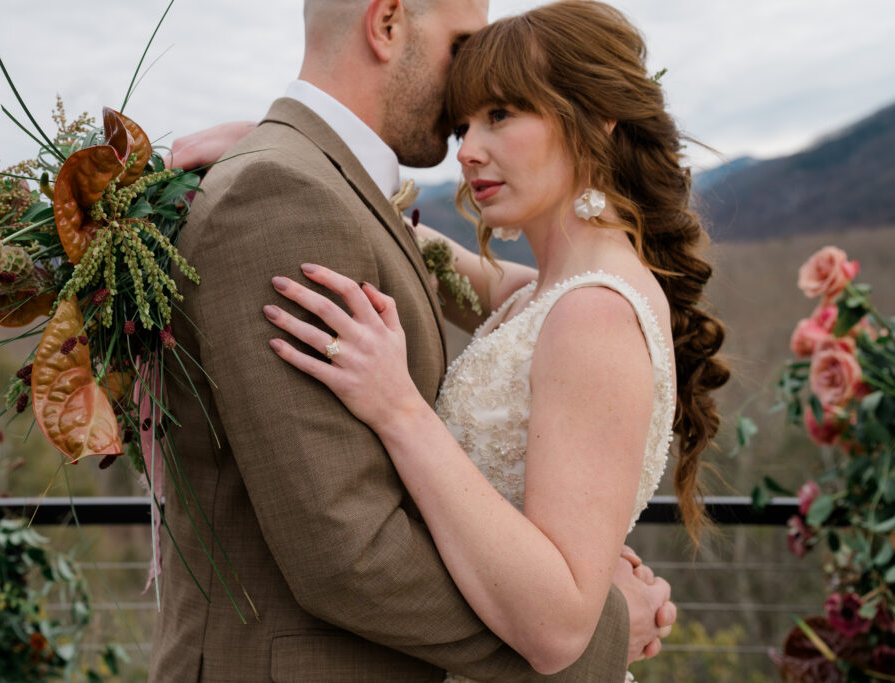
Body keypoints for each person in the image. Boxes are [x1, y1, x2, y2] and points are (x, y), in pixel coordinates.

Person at [150, 1, 675, 681]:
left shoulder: (593, 312)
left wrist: (399, 408)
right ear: (387, 20)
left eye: (501, 114)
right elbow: (403, 242)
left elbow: (554, 612)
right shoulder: (541, 295)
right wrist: (282, 145)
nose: (469, 150)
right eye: (466, 121)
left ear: (595, 123)